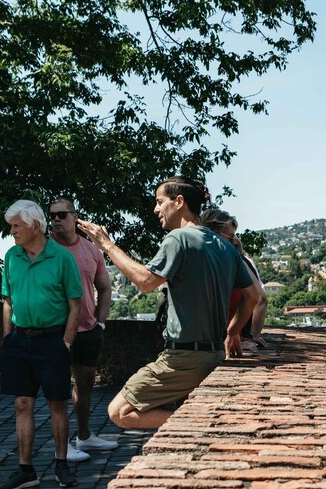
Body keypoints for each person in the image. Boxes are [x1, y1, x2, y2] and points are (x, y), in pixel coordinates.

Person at [78, 176, 259, 429]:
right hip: (215, 353)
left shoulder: (178, 239)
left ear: (179, 202)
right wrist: (232, 333)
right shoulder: (224, 245)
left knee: (119, 411)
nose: (156, 209)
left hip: (183, 358)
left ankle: (209, 425)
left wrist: (106, 245)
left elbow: (145, 281)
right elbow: (254, 296)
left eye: (160, 202)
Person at [0, 200, 82, 489]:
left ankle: (62, 465)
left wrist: (66, 343)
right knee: (22, 404)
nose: (12, 231)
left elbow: (76, 305)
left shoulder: (61, 258)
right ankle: (26, 469)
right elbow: (7, 301)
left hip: (53, 341)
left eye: (16, 225)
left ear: (35, 226)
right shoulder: (11, 257)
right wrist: (8, 337)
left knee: (57, 404)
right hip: (19, 341)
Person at [48, 196, 117, 460]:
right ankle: (63, 449)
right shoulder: (45, 249)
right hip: (55, 330)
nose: (56, 220)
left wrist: (100, 321)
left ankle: (85, 437)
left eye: (62, 215)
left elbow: (105, 288)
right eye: (52, 215)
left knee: (85, 384)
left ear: (75, 218)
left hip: (88, 328)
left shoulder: (91, 250)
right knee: (58, 388)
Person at [199, 209, 268, 351]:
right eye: (230, 236)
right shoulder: (223, 262)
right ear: (214, 235)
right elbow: (260, 298)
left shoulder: (228, 261)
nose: (234, 241)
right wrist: (249, 335)